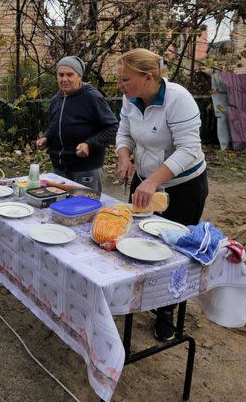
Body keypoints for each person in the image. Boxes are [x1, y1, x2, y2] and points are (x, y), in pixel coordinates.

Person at [114, 48, 208, 341]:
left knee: (173, 251)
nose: (120, 85)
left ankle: (168, 311)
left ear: (149, 77)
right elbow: (124, 133)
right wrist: (124, 156)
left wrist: (153, 181)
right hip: (145, 182)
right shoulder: (130, 99)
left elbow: (189, 149)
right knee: (139, 239)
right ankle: (138, 295)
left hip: (183, 188)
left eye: (125, 79)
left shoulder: (178, 99)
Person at [35, 56, 118, 192]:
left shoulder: (92, 97)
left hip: (86, 170)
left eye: (70, 74)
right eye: (61, 75)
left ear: (79, 76)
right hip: (59, 169)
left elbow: (112, 127)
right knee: (59, 208)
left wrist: (89, 144)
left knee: (85, 210)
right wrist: (47, 138)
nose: (64, 79)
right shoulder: (56, 99)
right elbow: (55, 125)